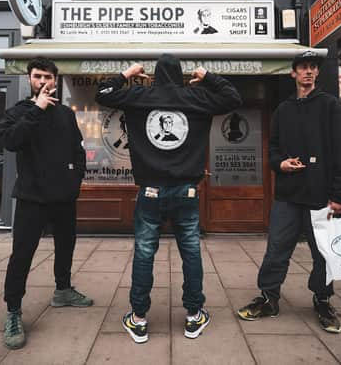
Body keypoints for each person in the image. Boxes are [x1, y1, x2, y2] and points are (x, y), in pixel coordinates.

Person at [95, 53, 242, 343]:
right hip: (187, 190)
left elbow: (102, 93)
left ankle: (138, 319)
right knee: (190, 250)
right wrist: (208, 76)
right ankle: (193, 315)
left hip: (150, 190)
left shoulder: (139, 95)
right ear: (181, 75)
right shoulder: (197, 97)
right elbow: (234, 98)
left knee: (144, 252)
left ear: (155, 74)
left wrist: (127, 73)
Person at [237, 50, 341, 334]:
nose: (308, 72)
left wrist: (340, 196)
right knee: (276, 249)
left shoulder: (332, 107)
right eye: (303, 67)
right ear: (293, 73)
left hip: (322, 197)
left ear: (317, 73)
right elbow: (273, 148)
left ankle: (323, 300)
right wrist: (281, 163)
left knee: (323, 254)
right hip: (288, 196)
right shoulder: (283, 109)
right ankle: (269, 298)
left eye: (313, 68)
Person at [0, 57, 93, 350]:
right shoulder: (18, 113)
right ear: (30, 79)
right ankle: (13, 310)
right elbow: (11, 141)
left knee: (66, 247)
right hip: (31, 198)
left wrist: (74, 181)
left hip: (63, 197)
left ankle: (63, 291)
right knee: (22, 255)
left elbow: (78, 150)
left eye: (48, 77)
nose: (43, 82)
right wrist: (37, 110)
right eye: (37, 76)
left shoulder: (66, 113)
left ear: (56, 80)